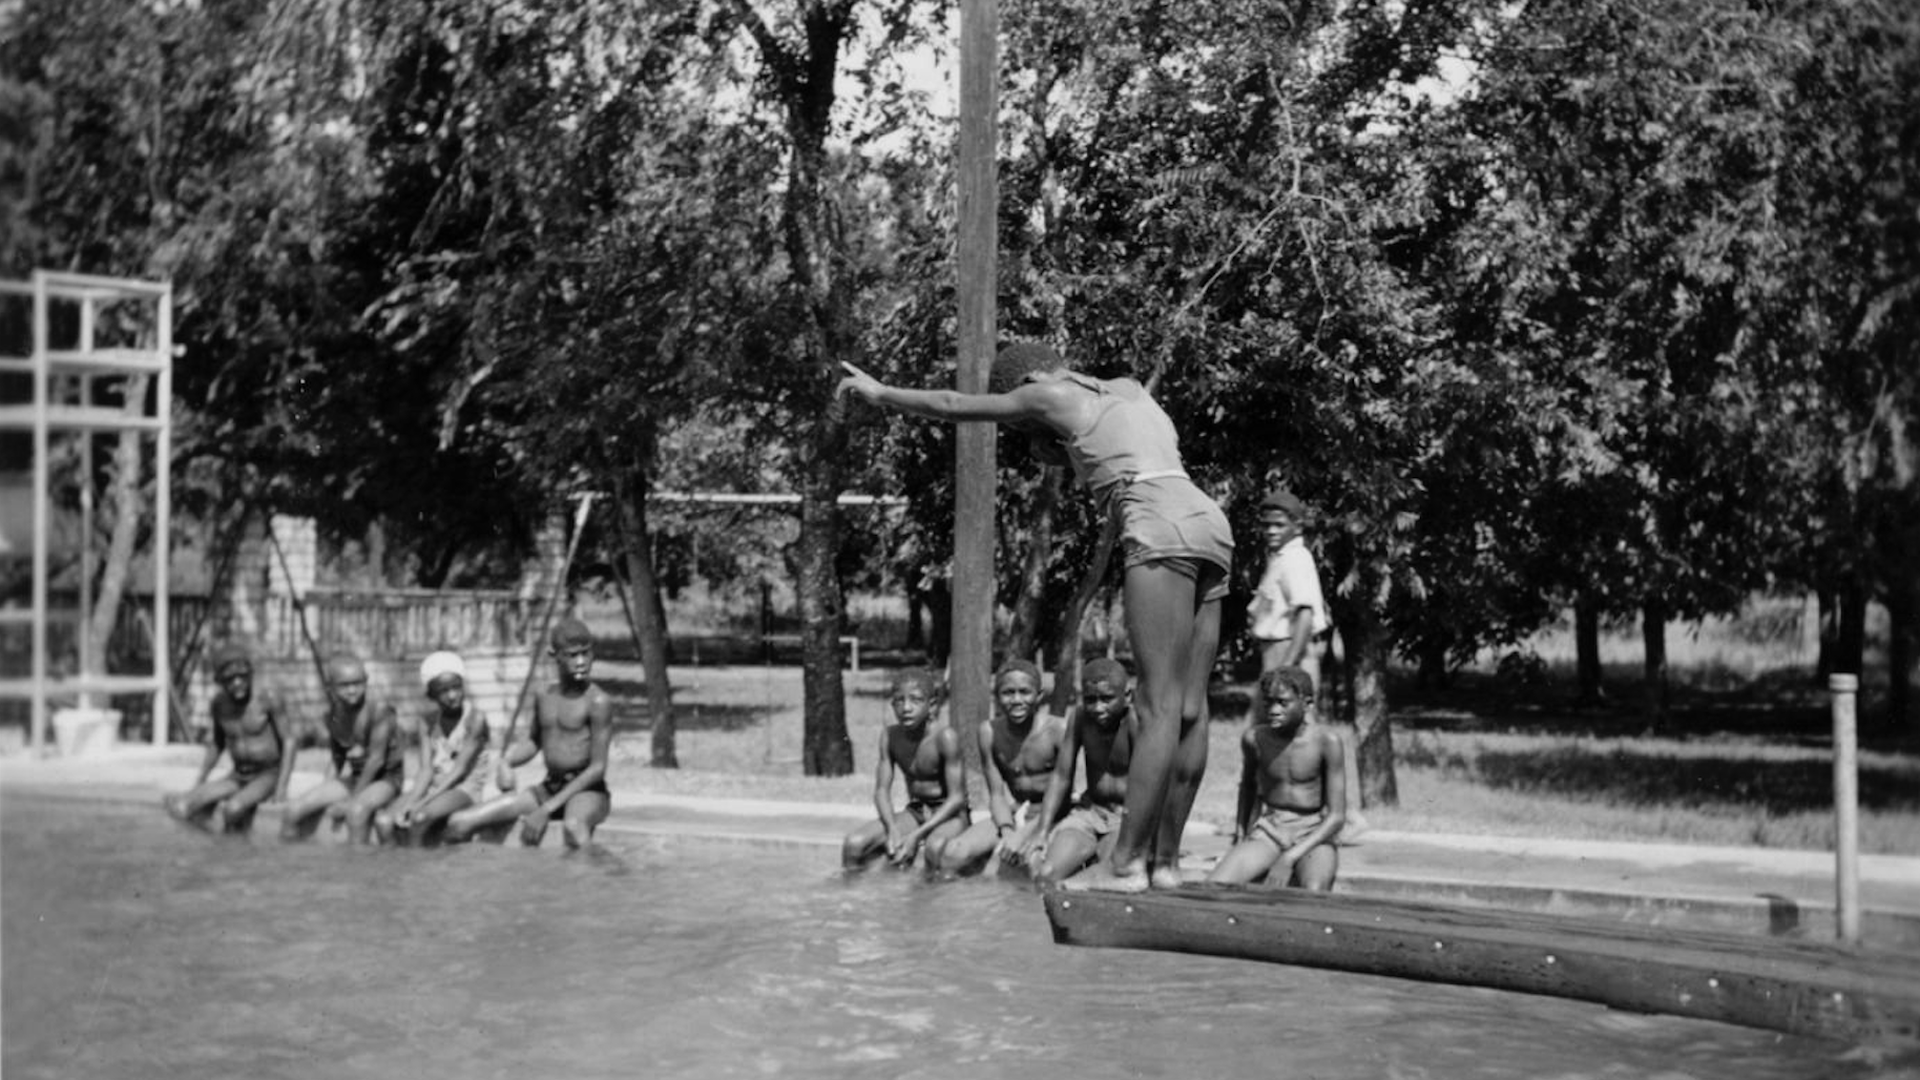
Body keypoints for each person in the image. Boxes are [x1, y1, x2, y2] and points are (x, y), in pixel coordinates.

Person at [839, 342, 1232, 891]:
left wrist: (882, 393)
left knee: (1158, 704)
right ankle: (1163, 864)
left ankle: (1124, 866)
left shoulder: (1046, 391)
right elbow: (1104, 447)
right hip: (1209, 522)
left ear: (1027, 381)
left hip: (1158, 520)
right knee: (1192, 706)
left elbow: (954, 403)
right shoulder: (1128, 389)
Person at [1247, 487, 1366, 837]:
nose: (1271, 531)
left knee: (1308, 740)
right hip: (1276, 654)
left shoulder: (1296, 559)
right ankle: (1270, 815)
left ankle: (1347, 819)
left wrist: (1285, 673)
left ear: (1297, 526)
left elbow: (1303, 615)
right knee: (1270, 738)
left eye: (1279, 524)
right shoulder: (1280, 558)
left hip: (1289, 655)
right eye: (1266, 525)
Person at [444, 619, 612, 849]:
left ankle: (603, 878)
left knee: (573, 827)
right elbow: (534, 742)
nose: (581, 662)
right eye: (573, 655)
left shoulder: (598, 701)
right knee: (459, 822)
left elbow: (597, 768)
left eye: (586, 654)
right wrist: (507, 761)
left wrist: (546, 810)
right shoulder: (544, 694)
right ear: (554, 655)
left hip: (587, 793)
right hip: (549, 788)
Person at [1206, 665, 1347, 890]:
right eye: (1268, 702)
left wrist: (1289, 858)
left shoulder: (1326, 742)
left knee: (1314, 892)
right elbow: (1248, 787)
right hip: (1271, 829)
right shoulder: (1255, 739)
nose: (1273, 709)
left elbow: (1337, 817)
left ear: (1307, 704)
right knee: (1216, 887)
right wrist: (1241, 835)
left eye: (1283, 703)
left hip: (1312, 833)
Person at [934, 658, 1068, 876]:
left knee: (1022, 866)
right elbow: (996, 794)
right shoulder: (988, 732)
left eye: (1025, 692)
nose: (1016, 700)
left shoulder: (1058, 730)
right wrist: (1007, 831)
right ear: (996, 697)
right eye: (1008, 693)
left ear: (1039, 696)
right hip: (1017, 811)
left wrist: (1023, 835)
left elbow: (1063, 794)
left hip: (1054, 814)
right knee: (952, 853)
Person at [841, 667, 970, 871]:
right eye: (899, 701)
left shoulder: (945, 738)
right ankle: (850, 899)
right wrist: (892, 828)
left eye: (915, 700)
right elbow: (881, 790)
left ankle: (935, 900)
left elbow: (957, 798)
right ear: (893, 705)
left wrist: (915, 837)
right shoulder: (890, 736)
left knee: (934, 848)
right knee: (853, 844)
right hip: (916, 811)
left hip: (949, 815)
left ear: (932, 705)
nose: (906, 708)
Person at [164, 643, 296, 834]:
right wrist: (201, 779)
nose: (236, 683)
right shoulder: (219, 705)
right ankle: (217, 845)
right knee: (181, 806)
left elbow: (290, 741)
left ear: (250, 674)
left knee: (233, 809)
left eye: (241, 677)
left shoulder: (267, 697)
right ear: (221, 682)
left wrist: (282, 788)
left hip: (268, 774)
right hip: (238, 775)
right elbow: (217, 744)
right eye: (229, 680)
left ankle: (236, 855)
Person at [279, 653, 408, 843]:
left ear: (366, 682)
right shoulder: (333, 715)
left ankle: (358, 866)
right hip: (356, 778)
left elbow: (376, 760)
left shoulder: (379, 711)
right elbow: (338, 756)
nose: (352, 690)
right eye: (345, 685)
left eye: (357, 683)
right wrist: (328, 787)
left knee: (355, 813)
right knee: (293, 810)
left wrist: (351, 800)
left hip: (386, 780)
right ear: (330, 688)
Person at [1029, 658, 1137, 886]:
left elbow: (1157, 782)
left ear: (1127, 696)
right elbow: (1061, 776)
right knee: (1045, 875)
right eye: (1091, 699)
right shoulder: (1080, 718)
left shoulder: (1136, 722)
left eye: (1107, 699)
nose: (1098, 708)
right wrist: (1042, 831)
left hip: (1127, 819)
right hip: (1090, 813)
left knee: (1107, 878)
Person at [376, 651, 501, 846]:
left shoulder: (475, 720)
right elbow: (426, 771)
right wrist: (411, 801)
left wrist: (420, 804)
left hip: (464, 789)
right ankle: (395, 868)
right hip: (435, 787)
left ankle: (416, 870)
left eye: (456, 687)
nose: (452, 695)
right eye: (443, 690)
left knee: (418, 818)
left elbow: (458, 772)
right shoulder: (426, 723)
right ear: (431, 694)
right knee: (383, 821)